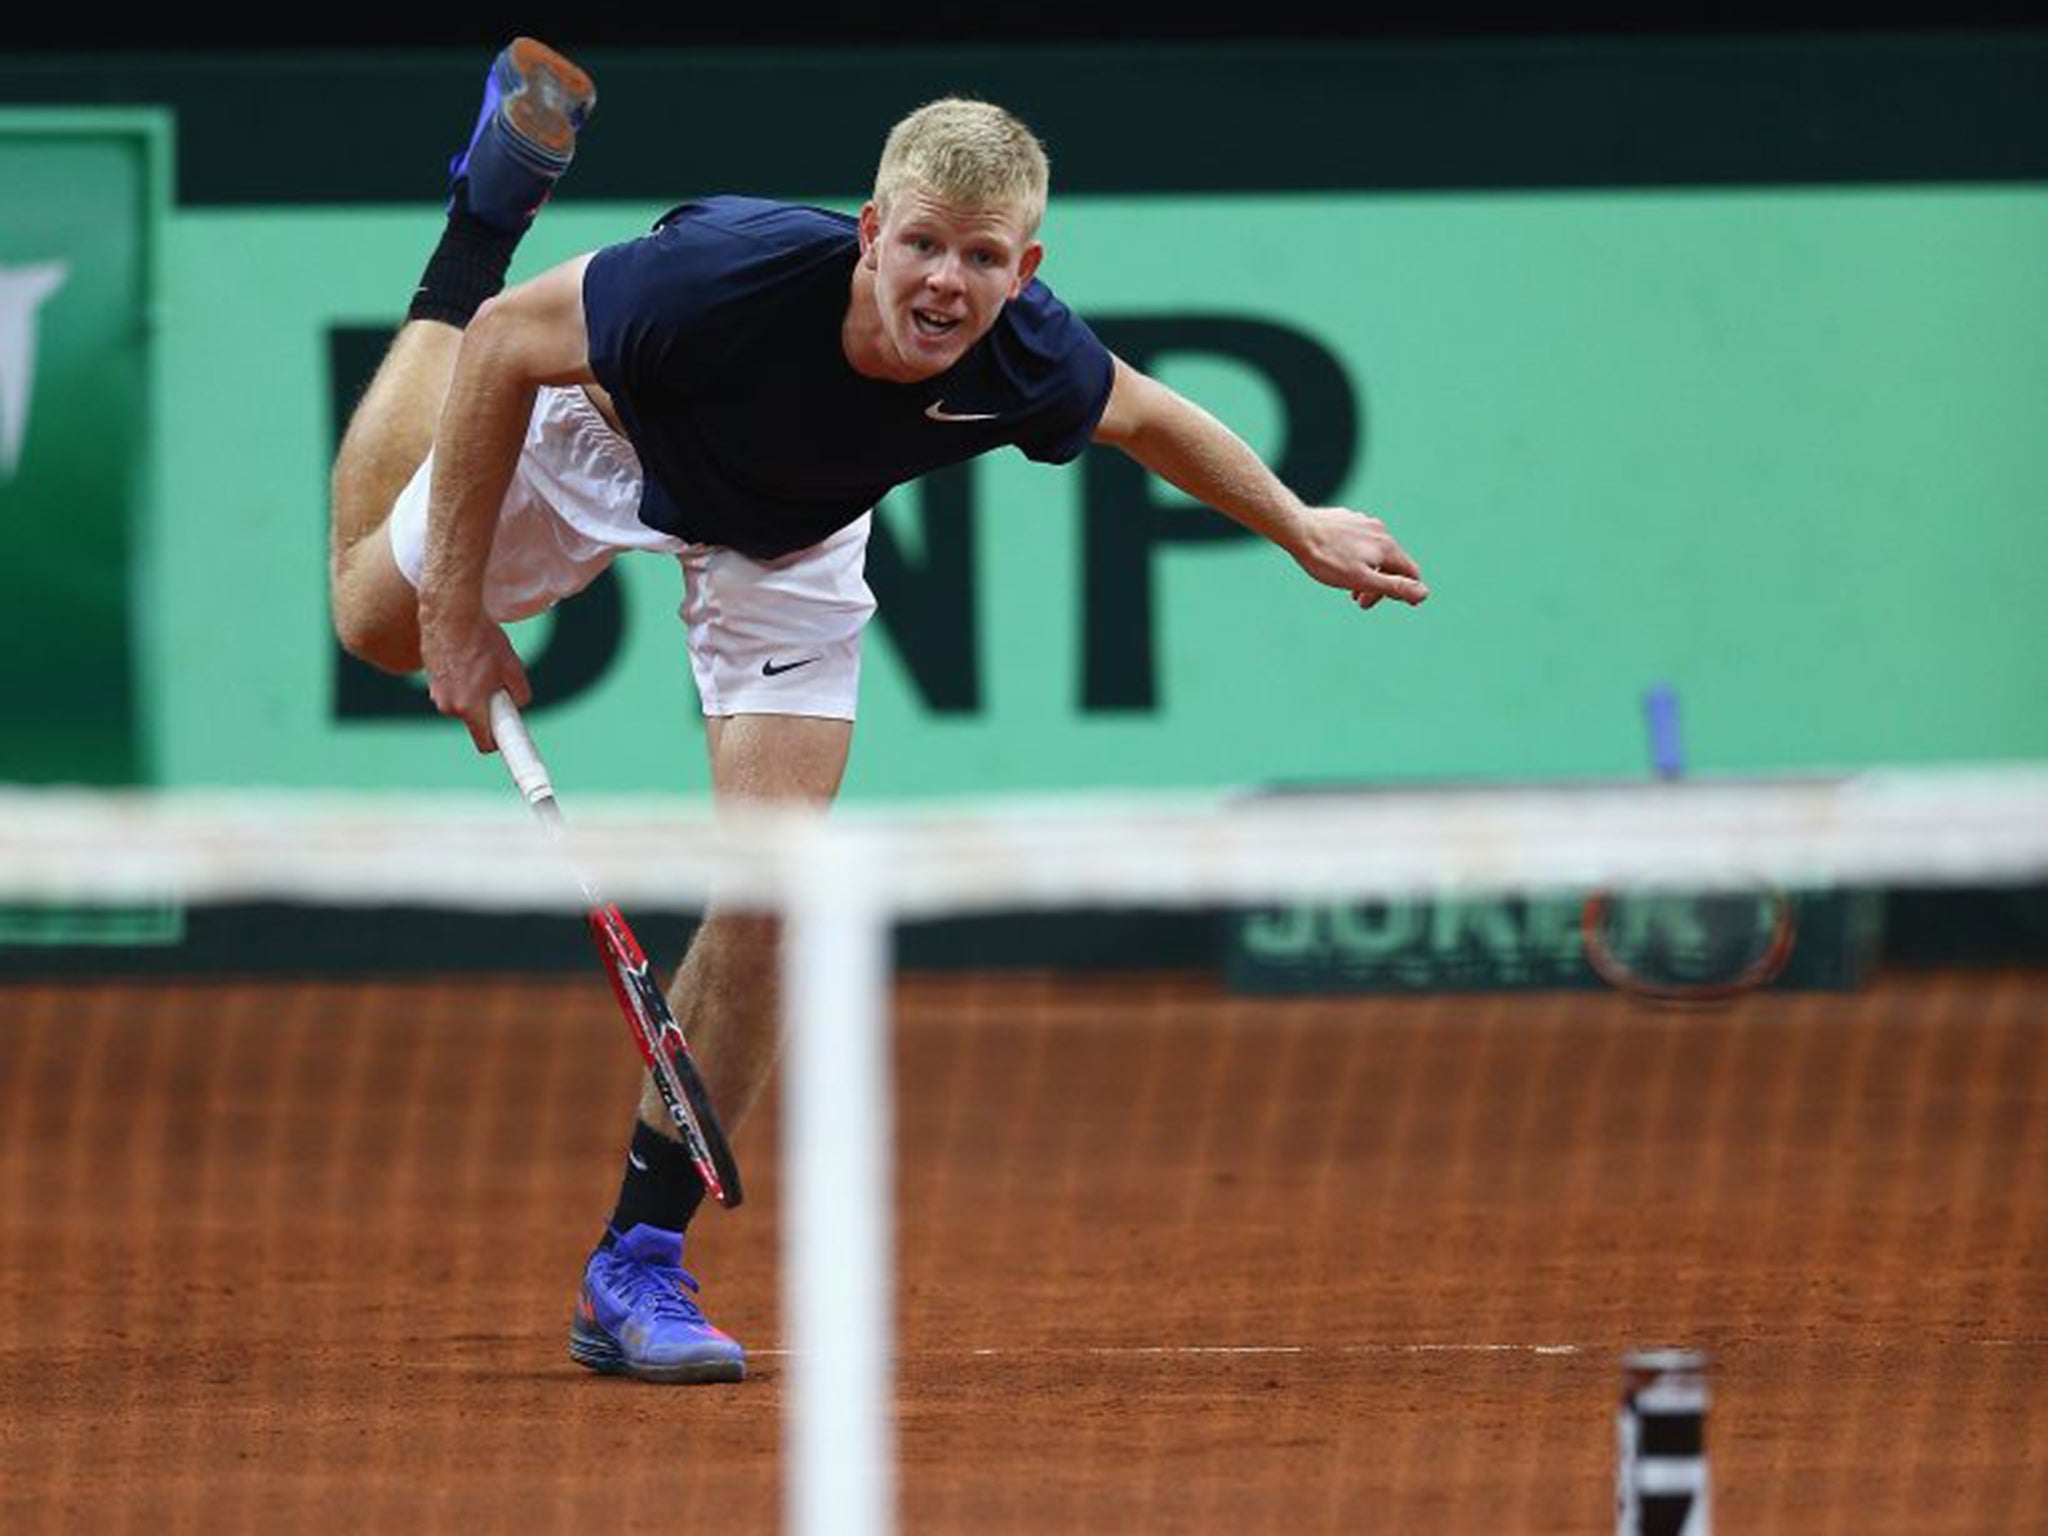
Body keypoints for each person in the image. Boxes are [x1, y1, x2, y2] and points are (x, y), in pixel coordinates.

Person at [329, 38, 1429, 1387]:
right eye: (921, 246)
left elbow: (1147, 419)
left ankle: (637, 1263)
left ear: (1025, 268)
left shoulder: (1024, 350)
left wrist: (1298, 525)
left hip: (789, 545)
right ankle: (478, 224)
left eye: (982, 257)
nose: (945, 282)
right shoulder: (718, 279)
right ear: (869, 234)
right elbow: (507, 351)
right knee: (372, 623)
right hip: (599, 441)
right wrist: (454, 623)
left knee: (779, 890)